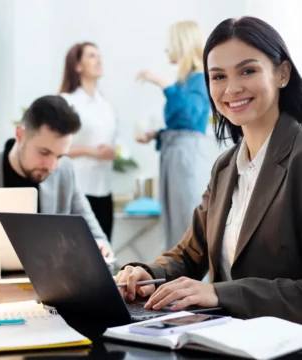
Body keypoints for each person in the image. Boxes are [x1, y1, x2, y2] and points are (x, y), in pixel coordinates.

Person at [115, 16, 302, 323]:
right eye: (218, 77)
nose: (232, 88)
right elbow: (190, 254)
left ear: (282, 73)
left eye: (248, 70)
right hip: (223, 338)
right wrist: (146, 273)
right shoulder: (226, 166)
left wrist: (219, 293)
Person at [0, 95, 113, 257]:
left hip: (51, 279)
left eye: (60, 156)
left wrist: (100, 245)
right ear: (20, 135)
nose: (52, 166)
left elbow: (95, 233)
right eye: (44, 152)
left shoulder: (65, 171)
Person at [136, 21, 211, 250]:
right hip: (173, 153)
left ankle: (191, 283)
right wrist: (158, 134)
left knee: (185, 224)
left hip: (185, 156)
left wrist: (163, 84)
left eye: (170, 44)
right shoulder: (184, 81)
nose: (167, 50)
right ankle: (175, 280)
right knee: (172, 223)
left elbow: (190, 117)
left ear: (182, 44)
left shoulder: (199, 78)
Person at [59, 42, 118, 242]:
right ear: (77, 66)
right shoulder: (67, 101)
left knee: (105, 252)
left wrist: (112, 150)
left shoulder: (105, 104)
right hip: (80, 187)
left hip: (104, 188)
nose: (99, 60)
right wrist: (91, 151)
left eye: (99, 56)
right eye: (92, 56)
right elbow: (56, 148)